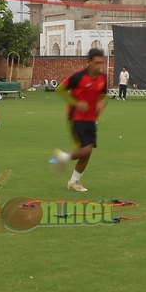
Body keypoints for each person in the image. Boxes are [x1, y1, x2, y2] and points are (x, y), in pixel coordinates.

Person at [52, 48, 109, 192]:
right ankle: (64, 157)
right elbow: (60, 90)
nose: (99, 66)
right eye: (96, 63)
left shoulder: (103, 78)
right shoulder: (78, 77)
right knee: (87, 149)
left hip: (91, 119)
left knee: (87, 152)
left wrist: (103, 102)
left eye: (101, 63)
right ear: (89, 62)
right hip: (76, 117)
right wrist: (76, 103)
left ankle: (74, 181)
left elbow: (105, 95)